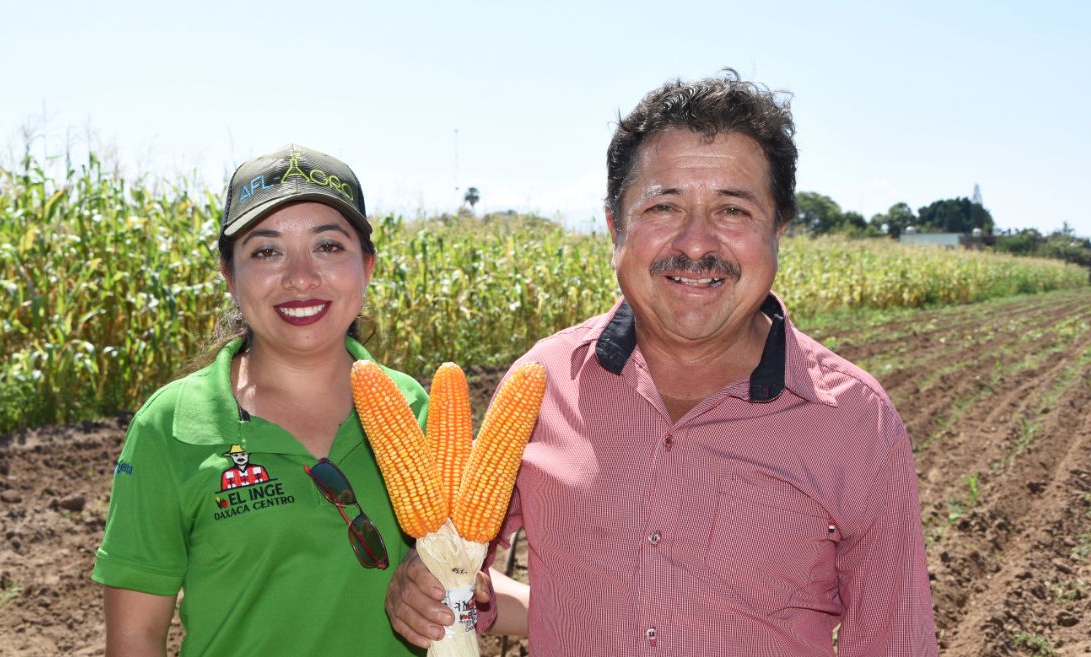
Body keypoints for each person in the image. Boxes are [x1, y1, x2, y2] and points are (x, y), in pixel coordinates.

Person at [387, 71, 938, 655]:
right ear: (614, 227)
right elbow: (467, 562)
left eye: (733, 210)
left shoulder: (856, 421)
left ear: (778, 230)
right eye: (663, 206)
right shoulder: (541, 383)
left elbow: (894, 640)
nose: (697, 243)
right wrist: (434, 591)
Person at [94, 145, 431, 657]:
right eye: (266, 252)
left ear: (366, 266)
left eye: (328, 247)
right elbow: (136, 639)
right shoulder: (169, 426)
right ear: (230, 277)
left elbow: (454, 576)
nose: (300, 277)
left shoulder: (412, 407)